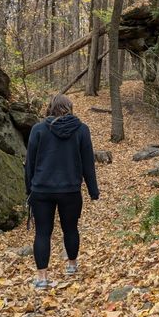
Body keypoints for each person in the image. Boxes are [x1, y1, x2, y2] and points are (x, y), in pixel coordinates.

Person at [25, 94, 99, 289]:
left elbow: (29, 164)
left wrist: (28, 190)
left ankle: (42, 278)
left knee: (42, 233)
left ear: (50, 108)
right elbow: (87, 163)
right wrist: (93, 191)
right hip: (70, 190)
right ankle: (72, 266)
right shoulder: (81, 130)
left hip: (41, 190)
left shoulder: (38, 129)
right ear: (70, 108)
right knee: (70, 228)